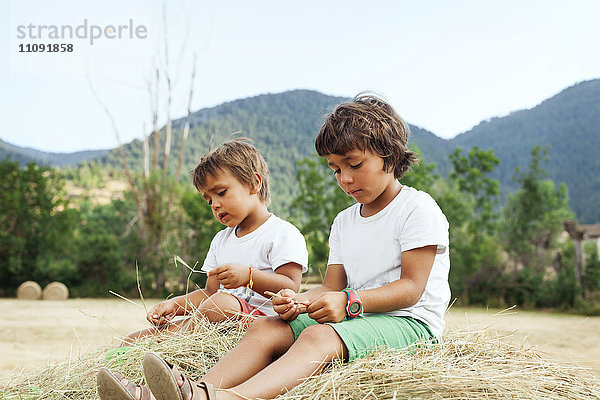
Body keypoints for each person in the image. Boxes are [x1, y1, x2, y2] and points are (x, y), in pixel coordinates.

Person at [98, 94, 450, 400]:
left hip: (409, 322)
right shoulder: (344, 221)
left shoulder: (416, 209)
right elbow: (331, 285)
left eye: (354, 165)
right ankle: (193, 391)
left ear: (389, 154)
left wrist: (350, 301)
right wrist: (298, 301)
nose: (344, 178)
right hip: (358, 315)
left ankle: (227, 397)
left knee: (317, 337)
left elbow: (411, 289)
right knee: (267, 328)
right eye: (334, 170)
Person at [124, 139, 308, 345]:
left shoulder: (282, 233)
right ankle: (148, 350)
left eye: (221, 193)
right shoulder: (221, 240)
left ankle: (170, 340)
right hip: (217, 322)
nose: (216, 205)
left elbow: (291, 285)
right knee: (132, 340)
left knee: (222, 304)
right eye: (209, 200)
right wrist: (175, 305)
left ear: (254, 183)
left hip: (263, 325)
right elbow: (210, 292)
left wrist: (248, 277)